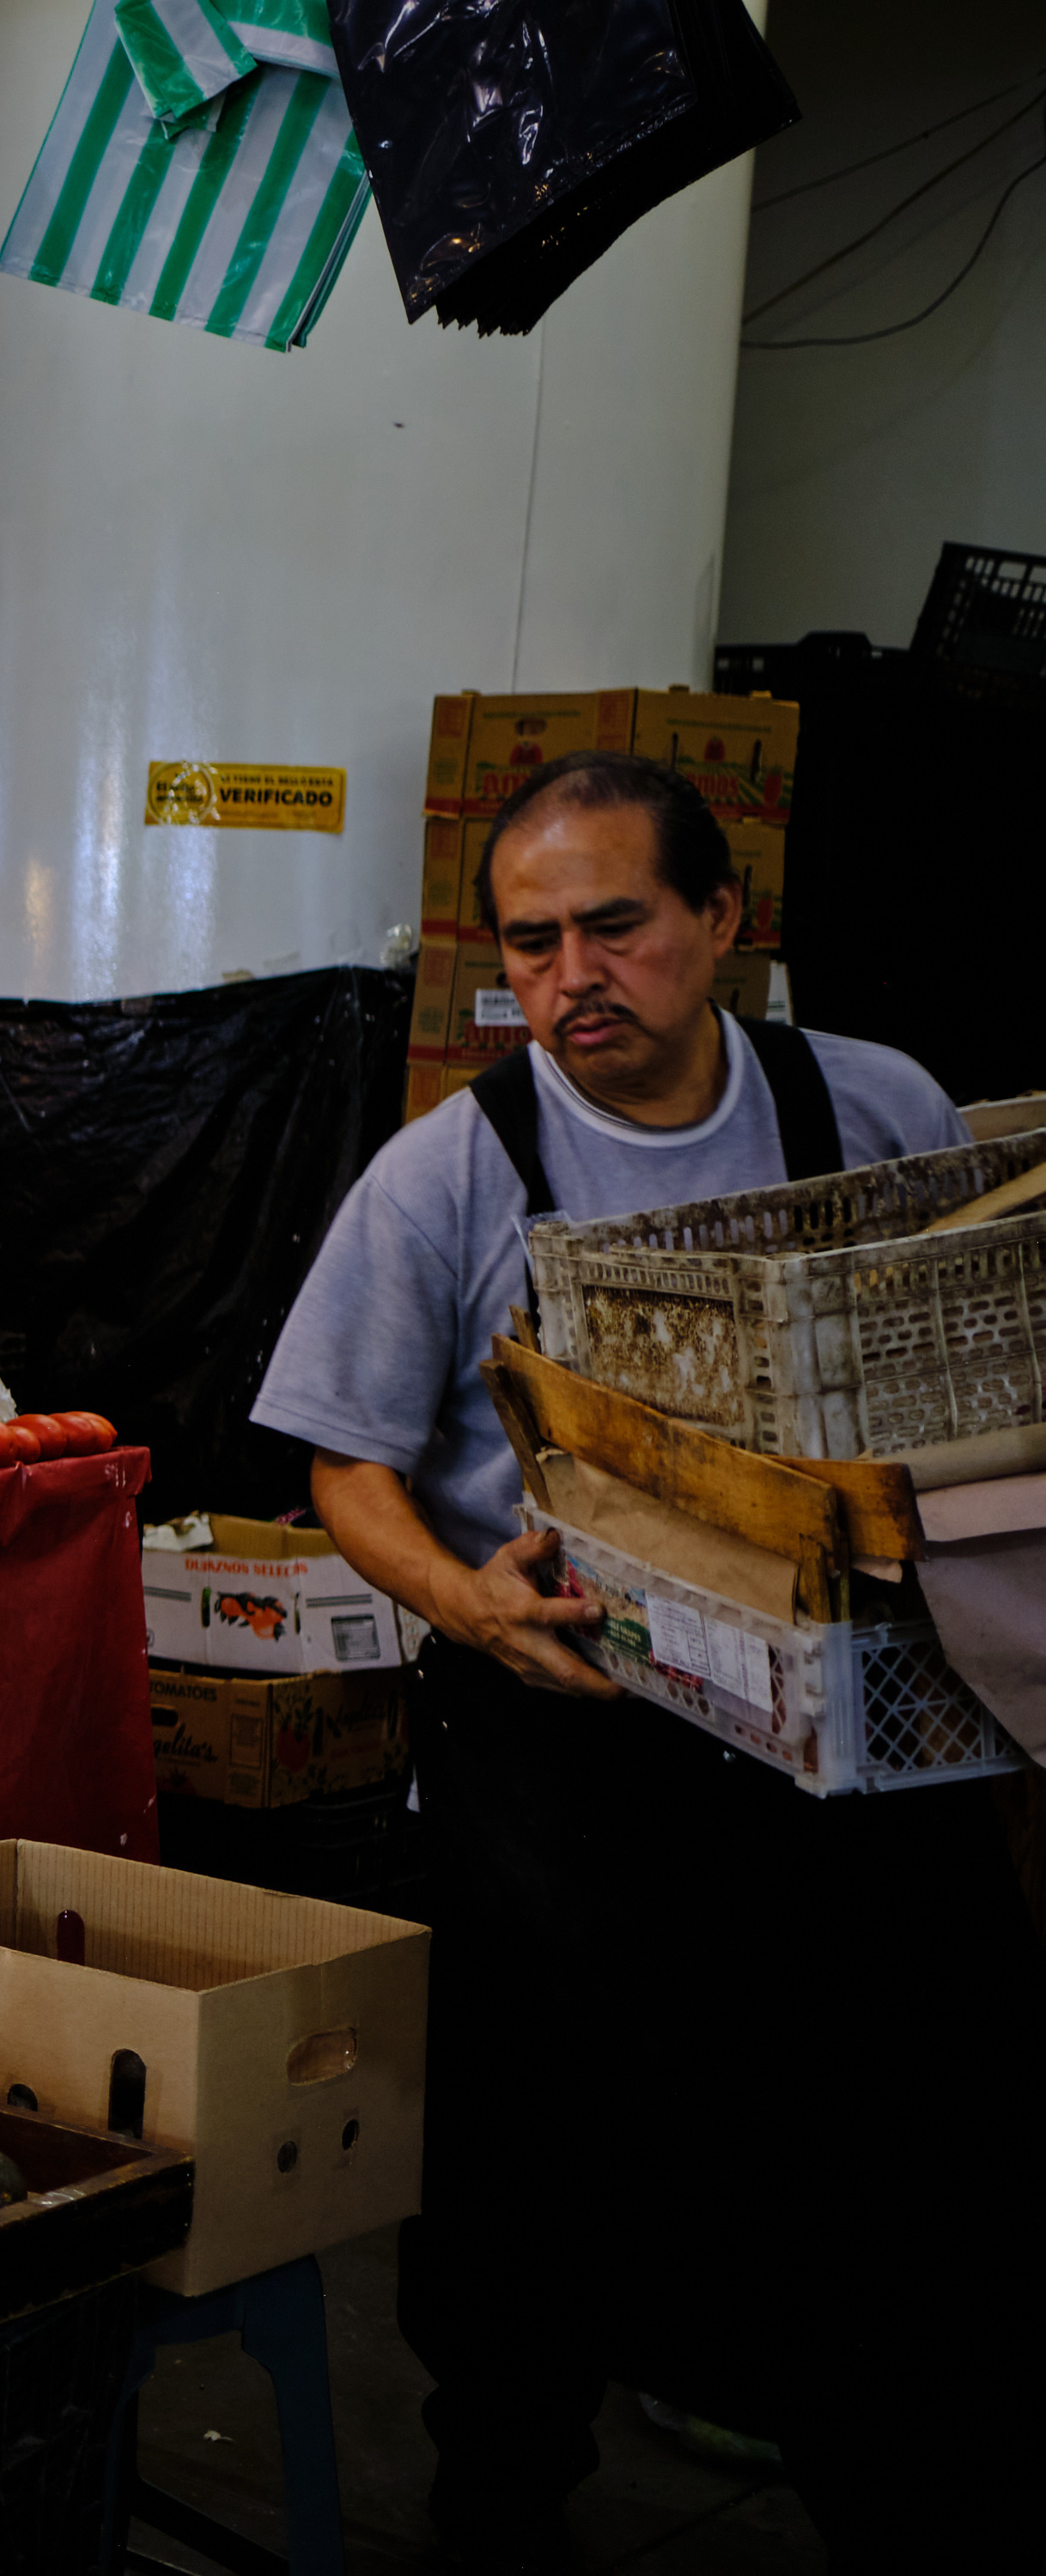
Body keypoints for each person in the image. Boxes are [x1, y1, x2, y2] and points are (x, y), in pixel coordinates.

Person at [252, 750, 1045, 2568]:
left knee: (916, 2177)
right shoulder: (450, 1174)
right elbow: (343, 1465)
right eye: (531, 944)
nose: (571, 980)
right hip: (580, 1757)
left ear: (720, 924)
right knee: (532, 2196)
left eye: (614, 925)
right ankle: (503, 2496)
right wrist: (467, 1606)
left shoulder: (871, 1104)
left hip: (860, 1756)